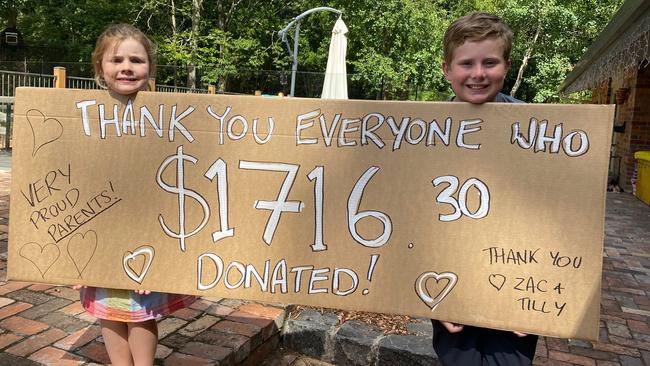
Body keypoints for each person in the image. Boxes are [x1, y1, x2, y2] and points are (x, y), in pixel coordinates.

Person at [74, 23, 195, 366]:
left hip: (149, 236)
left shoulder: (168, 120)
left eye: (136, 60)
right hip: (100, 239)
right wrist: (72, 256)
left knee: (141, 313)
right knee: (108, 311)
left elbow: (176, 188)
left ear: (150, 68)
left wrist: (158, 251)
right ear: (100, 68)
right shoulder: (81, 117)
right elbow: (74, 184)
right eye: (117, 60)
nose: (126, 67)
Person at [432, 12, 538, 365]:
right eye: (466, 63)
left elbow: (557, 215)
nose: (478, 73)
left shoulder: (537, 132)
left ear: (506, 66)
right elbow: (409, 217)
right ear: (447, 69)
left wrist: (538, 293)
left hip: (518, 284)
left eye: (489, 62)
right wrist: (426, 294)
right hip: (449, 285)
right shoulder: (421, 133)